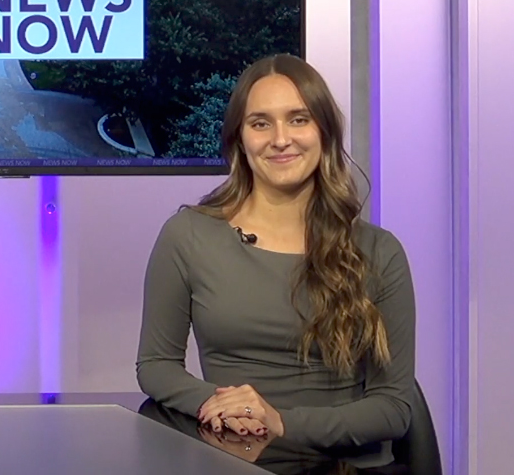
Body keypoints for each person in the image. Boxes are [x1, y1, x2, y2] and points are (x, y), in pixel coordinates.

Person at [136, 54, 415, 468]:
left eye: (298, 119)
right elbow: (156, 366)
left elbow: (393, 407)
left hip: (342, 465)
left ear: (324, 132)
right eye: (261, 123)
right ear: (239, 139)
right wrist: (220, 405)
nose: (280, 138)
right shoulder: (188, 236)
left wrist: (278, 422)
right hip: (230, 459)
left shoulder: (379, 252)